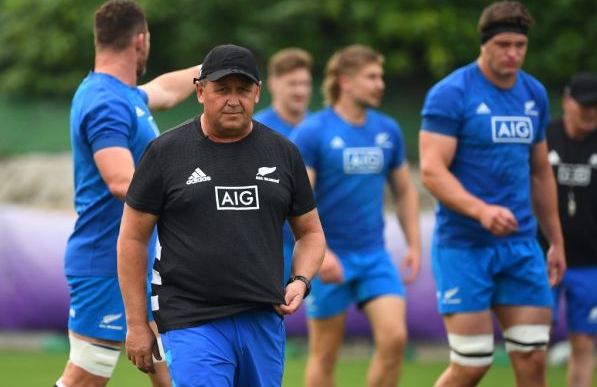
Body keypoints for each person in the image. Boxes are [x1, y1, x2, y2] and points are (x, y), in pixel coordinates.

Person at [117, 44, 326, 387]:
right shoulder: (165, 153)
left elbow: (311, 233)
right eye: (222, 89)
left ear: (257, 92)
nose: (233, 99)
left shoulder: (284, 152)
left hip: (263, 317)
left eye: (242, 90)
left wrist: (301, 281)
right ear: (200, 91)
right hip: (190, 319)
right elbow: (132, 237)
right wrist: (137, 323)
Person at [419, 0, 566, 387]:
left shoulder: (534, 92)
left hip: (520, 248)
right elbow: (432, 171)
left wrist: (555, 242)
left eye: (520, 45)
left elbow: (540, 174)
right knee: (472, 364)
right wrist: (481, 210)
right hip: (464, 247)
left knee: (534, 360)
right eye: (504, 44)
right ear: (484, 43)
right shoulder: (451, 93)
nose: (513, 53)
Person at [58, 0, 200, 387]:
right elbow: (121, 181)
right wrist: (191, 197)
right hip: (105, 263)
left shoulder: (124, 96)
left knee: (175, 374)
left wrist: (208, 71)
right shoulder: (106, 102)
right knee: (85, 379)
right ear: (140, 40)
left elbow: (165, 91)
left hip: (138, 265)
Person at [291, 44, 421, 387]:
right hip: (329, 258)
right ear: (346, 82)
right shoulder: (314, 131)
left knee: (395, 339)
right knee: (325, 354)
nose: (381, 84)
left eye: (381, 77)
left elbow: (405, 190)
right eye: (372, 77)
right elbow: (298, 201)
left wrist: (414, 244)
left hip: (375, 256)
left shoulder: (388, 130)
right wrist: (322, 253)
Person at [543, 72, 597, 387]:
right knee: (534, 342)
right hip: (543, 259)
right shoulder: (545, 135)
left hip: (592, 262)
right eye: (585, 105)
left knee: (584, 345)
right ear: (566, 102)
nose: (592, 112)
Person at [254, 47, 313, 284]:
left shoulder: (319, 129)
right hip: (270, 247)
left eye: (305, 83)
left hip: (313, 241)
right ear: (273, 84)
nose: (300, 91)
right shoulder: (255, 129)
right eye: (292, 83)